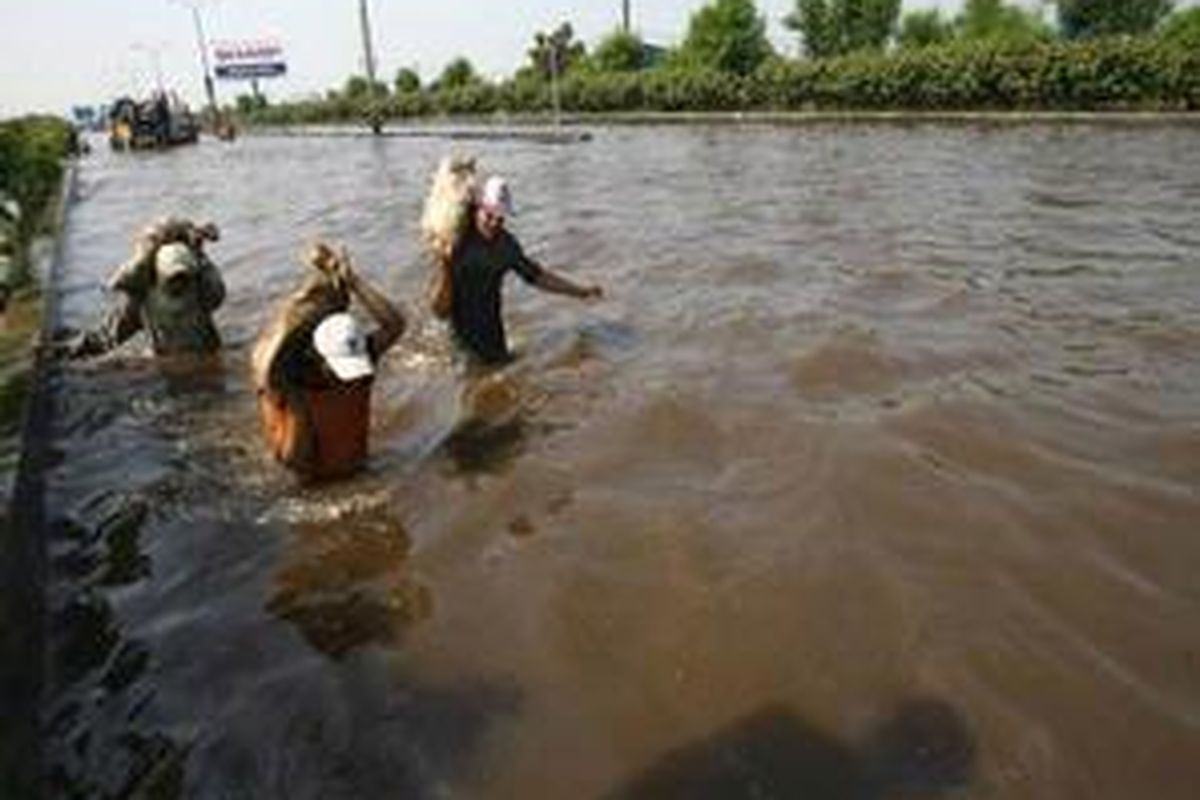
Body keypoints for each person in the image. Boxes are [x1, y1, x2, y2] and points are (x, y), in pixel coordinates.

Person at [253, 243, 406, 481]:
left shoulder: (361, 355)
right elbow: (294, 463)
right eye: (339, 367)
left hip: (357, 469)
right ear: (315, 355)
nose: (350, 375)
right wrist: (300, 413)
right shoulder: (291, 382)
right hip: (313, 487)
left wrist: (354, 282)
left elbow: (395, 324)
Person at [445, 174, 602, 366]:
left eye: (501, 218)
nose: (495, 223)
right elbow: (438, 305)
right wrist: (443, 263)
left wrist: (580, 291)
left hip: (492, 327)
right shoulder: (457, 240)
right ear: (478, 208)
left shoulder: (506, 246)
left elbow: (537, 277)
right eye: (489, 215)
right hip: (460, 332)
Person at [66, 217, 225, 358]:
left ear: (191, 271)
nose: (179, 283)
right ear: (159, 275)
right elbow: (110, 335)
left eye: (183, 276)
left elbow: (218, 294)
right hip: (164, 358)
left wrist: (201, 256)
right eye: (172, 278)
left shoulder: (201, 288)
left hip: (204, 354)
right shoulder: (143, 300)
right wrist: (75, 350)